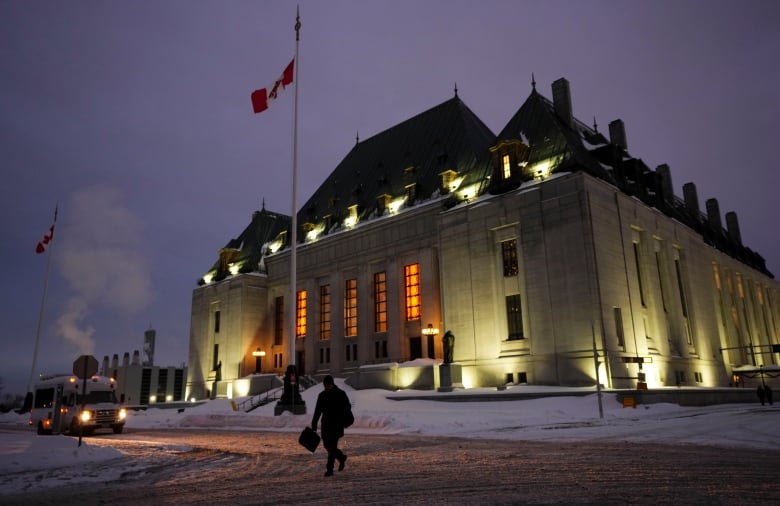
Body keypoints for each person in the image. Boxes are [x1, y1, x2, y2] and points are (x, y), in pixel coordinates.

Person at [311, 375, 351, 476]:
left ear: (332, 384)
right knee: (326, 445)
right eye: (325, 385)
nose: (327, 387)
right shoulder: (322, 395)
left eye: (328, 385)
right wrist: (314, 423)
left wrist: (343, 417)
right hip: (326, 424)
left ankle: (330, 469)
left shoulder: (340, 394)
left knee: (332, 446)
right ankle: (341, 457)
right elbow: (317, 411)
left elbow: (347, 407)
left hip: (337, 424)